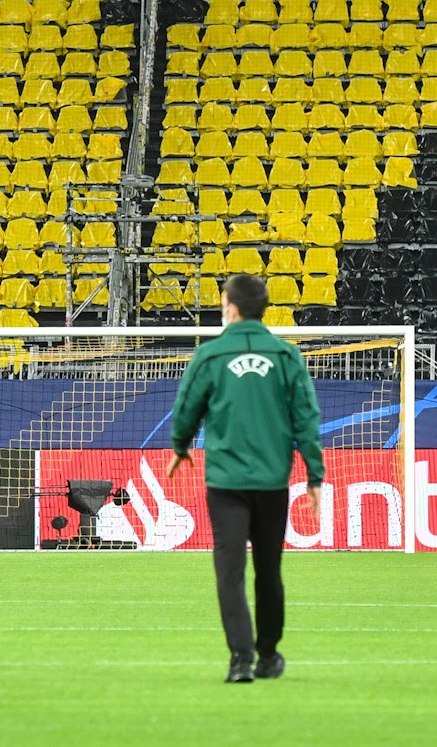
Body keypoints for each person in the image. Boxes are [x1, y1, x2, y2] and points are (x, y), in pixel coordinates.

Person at [164, 274, 324, 684]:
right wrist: (314, 475)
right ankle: (268, 655)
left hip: (227, 482)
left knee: (229, 571)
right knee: (269, 570)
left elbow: (187, 406)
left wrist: (180, 446)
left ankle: (240, 659)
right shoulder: (286, 356)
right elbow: (305, 417)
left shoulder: (211, 355)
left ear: (230, 306)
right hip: (272, 481)